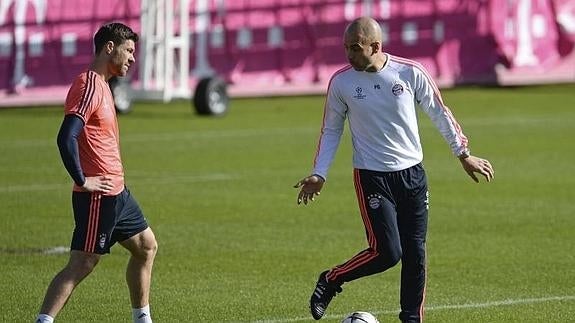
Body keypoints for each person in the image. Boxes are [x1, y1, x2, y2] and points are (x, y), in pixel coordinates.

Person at [294, 17, 494, 322]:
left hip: (413, 176)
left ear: (375, 46)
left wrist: (462, 153)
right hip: (371, 176)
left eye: (355, 48)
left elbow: (439, 112)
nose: (348, 54)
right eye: (345, 48)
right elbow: (331, 130)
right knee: (387, 252)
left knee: (415, 252)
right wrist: (320, 173)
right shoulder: (342, 82)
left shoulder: (410, 73)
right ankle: (332, 279)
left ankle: (411, 319)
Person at [35, 23, 158, 323]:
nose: (132, 58)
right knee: (83, 263)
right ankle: (43, 320)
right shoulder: (88, 84)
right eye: (128, 51)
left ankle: (142, 319)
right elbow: (66, 137)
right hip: (99, 196)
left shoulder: (103, 85)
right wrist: (82, 180)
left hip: (119, 193)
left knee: (146, 246)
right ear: (109, 48)